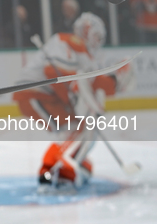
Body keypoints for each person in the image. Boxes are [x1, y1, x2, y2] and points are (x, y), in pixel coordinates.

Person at [12, 13, 133, 189]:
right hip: (34, 93)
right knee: (73, 129)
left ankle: (62, 166)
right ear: (86, 31)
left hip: (46, 95)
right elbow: (52, 72)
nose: (98, 41)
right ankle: (57, 170)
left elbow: (79, 85)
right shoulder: (68, 42)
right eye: (96, 36)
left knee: (78, 128)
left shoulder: (86, 56)